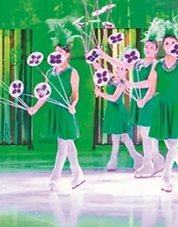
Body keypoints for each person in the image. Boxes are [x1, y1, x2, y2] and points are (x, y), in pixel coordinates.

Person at [101, 18, 166, 178]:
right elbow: (121, 64)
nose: (148, 49)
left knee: (147, 133)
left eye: (152, 47)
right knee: (147, 133)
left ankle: (148, 163)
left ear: (156, 50)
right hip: (139, 101)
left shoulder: (155, 65)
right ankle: (157, 160)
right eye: (147, 46)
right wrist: (104, 56)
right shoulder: (138, 63)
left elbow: (149, 83)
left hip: (149, 101)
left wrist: (131, 85)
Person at [138, 19, 178, 192]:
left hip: (177, 105)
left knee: (173, 144)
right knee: (170, 145)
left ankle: (166, 176)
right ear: (163, 47)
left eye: (173, 43)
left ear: (177, 45)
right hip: (161, 106)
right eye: (167, 43)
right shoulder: (157, 66)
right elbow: (152, 89)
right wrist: (144, 100)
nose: (170, 46)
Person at [28, 19, 85, 191]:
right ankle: (78, 175)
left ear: (67, 54)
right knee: (67, 144)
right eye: (55, 52)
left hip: (66, 111)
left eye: (61, 52)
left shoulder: (72, 72)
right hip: (54, 111)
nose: (57, 55)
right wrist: (35, 108)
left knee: (63, 145)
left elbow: (75, 94)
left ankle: (55, 178)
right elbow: (45, 94)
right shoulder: (49, 72)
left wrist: (73, 105)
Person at [94, 68, 143, 172]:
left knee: (122, 136)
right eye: (117, 69)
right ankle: (134, 158)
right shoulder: (111, 79)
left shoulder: (122, 84)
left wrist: (100, 93)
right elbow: (99, 68)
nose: (118, 72)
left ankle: (132, 158)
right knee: (117, 136)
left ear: (125, 72)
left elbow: (114, 98)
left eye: (121, 70)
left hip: (117, 110)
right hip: (111, 110)